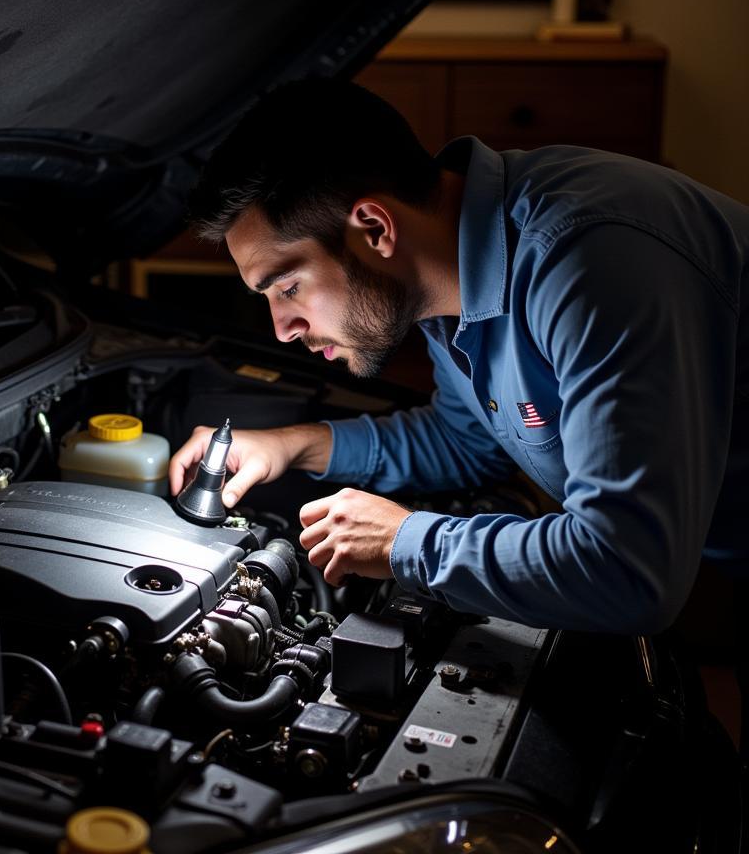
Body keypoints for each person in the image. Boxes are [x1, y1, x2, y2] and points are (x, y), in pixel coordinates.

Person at [168, 78, 749, 639]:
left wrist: (405, 542)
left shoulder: (589, 262)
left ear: (374, 228)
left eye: (287, 286)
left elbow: (628, 572)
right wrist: (290, 445)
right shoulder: (444, 274)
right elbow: (468, 440)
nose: (283, 330)